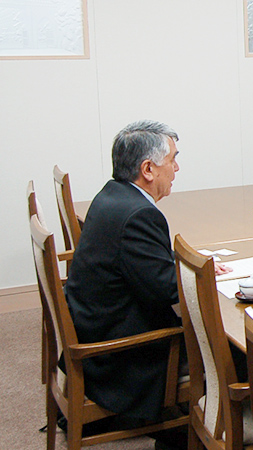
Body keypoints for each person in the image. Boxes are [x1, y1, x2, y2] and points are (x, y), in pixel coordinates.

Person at [64, 120, 230, 424]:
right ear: (148, 169)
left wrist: (190, 262)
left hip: (94, 326)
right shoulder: (140, 214)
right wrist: (201, 272)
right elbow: (165, 291)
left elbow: (143, 262)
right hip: (118, 357)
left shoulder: (112, 195)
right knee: (231, 350)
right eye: (172, 159)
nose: (177, 169)